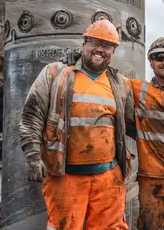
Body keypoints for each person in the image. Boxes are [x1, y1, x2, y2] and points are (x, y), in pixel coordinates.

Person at [62, 36, 164, 230]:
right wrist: (81, 58)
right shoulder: (136, 89)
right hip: (152, 179)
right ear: (151, 62)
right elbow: (106, 75)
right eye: (159, 57)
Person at [19, 19, 135, 230]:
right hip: (66, 178)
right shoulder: (55, 73)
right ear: (84, 44)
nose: (100, 49)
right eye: (95, 42)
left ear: (113, 50)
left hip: (109, 180)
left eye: (106, 45)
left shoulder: (121, 84)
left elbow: (138, 125)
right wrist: (33, 156)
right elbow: (32, 114)